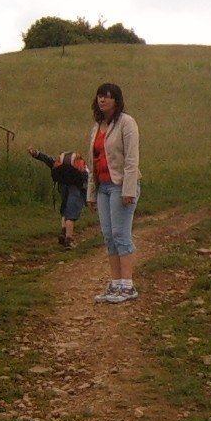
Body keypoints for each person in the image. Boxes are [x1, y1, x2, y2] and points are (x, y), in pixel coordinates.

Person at [86, 82, 142, 303]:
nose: (103, 100)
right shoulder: (97, 126)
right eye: (100, 96)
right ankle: (116, 283)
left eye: (107, 97)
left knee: (121, 234)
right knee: (109, 236)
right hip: (103, 187)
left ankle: (128, 286)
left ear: (116, 101)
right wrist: (91, 193)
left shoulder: (126, 123)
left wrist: (128, 190)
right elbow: (93, 161)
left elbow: (131, 159)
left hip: (121, 185)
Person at [27, 145, 87, 249]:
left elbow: (47, 160)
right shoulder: (81, 167)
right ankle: (69, 240)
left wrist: (36, 153)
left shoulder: (59, 164)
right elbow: (88, 178)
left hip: (62, 185)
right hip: (75, 187)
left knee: (64, 209)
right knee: (71, 214)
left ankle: (63, 232)